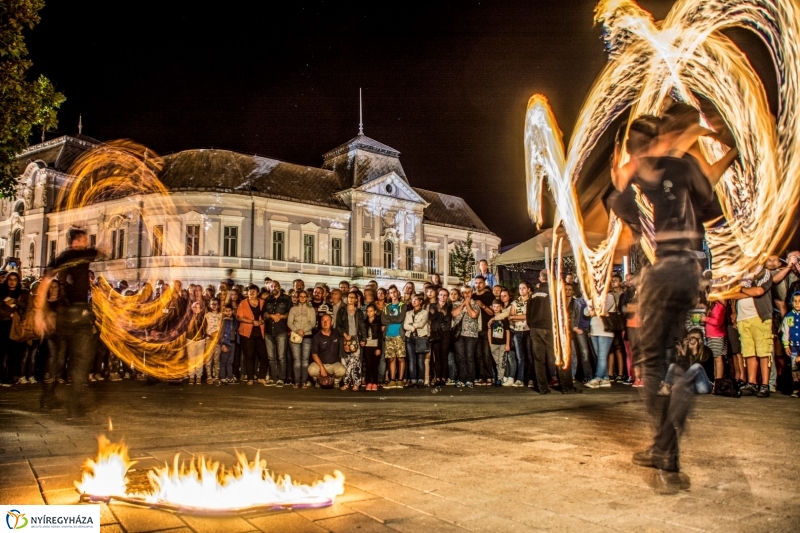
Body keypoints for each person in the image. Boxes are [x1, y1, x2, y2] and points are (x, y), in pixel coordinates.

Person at [608, 110, 724, 491]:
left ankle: (666, 450)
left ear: (631, 149)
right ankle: (676, 404)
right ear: (658, 139)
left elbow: (623, 217)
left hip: (662, 272)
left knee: (650, 364)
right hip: (691, 271)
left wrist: (627, 176)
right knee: (669, 357)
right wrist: (731, 154)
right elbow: (710, 206)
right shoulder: (685, 164)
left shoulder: (633, 180)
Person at [37, 227, 100, 416]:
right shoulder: (78, 254)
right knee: (79, 359)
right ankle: (71, 404)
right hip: (76, 313)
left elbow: (47, 278)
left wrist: (41, 311)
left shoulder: (65, 256)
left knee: (62, 358)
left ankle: (52, 399)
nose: (87, 242)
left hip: (67, 314)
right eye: (84, 239)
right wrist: (40, 311)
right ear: (77, 240)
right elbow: (47, 279)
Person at [527, 270, 578, 394]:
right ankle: (567, 386)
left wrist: (532, 325)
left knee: (539, 359)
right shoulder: (553, 293)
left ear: (540, 278)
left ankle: (542, 388)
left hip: (535, 329)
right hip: (550, 328)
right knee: (559, 356)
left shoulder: (533, 295)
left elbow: (528, 313)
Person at [728, 265, 774, 397]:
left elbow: (759, 291)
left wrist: (741, 288)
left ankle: (765, 385)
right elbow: (732, 294)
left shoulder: (764, 272)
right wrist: (746, 291)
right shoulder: (740, 273)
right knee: (748, 352)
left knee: (763, 351)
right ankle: (752, 383)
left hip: (760, 316)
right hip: (743, 318)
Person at [659, 328, 714, 396]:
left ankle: (674, 387)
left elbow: (697, 369)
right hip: (692, 386)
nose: (693, 341)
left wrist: (695, 352)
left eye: (696, 338)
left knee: (697, 366)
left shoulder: (707, 352)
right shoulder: (688, 351)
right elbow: (686, 371)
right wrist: (682, 354)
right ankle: (666, 387)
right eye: (690, 339)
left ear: (701, 340)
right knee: (673, 365)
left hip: (704, 386)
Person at [1, 271, 29, 385]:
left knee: (14, 352)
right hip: (3, 324)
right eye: (10, 279)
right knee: (2, 352)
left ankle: (10, 376)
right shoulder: (1, 292)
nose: (12, 282)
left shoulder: (22, 293)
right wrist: (8, 314)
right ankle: (2, 376)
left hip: (16, 325)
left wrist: (16, 302)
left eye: (15, 279)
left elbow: (27, 307)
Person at [237, 284, 268, 385]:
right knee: (249, 356)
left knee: (264, 356)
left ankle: (261, 377)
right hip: (247, 334)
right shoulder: (243, 303)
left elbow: (266, 315)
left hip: (260, 333)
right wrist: (251, 321)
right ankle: (250, 378)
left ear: (257, 292)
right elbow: (239, 317)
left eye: (254, 291)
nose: (252, 292)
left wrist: (263, 321)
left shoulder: (263, 302)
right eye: (250, 291)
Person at [451, 285, 480, 387]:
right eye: (464, 292)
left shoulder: (475, 304)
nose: (467, 294)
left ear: (472, 293)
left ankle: (470, 379)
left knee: (469, 357)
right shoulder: (456, 304)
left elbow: (473, 315)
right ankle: (461, 378)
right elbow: (454, 314)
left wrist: (468, 305)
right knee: (460, 357)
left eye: (469, 292)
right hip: (458, 335)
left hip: (471, 334)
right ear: (462, 294)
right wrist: (463, 304)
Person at [263, 280, 291, 386]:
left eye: (275, 286)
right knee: (271, 357)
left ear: (279, 287)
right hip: (269, 330)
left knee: (281, 357)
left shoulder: (286, 298)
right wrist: (270, 316)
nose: (273, 288)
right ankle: (273, 377)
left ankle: (281, 378)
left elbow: (290, 312)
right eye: (271, 286)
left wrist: (281, 317)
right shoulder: (268, 299)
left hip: (281, 330)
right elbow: (264, 313)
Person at [337, 292, 366, 391]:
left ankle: (356, 383)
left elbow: (362, 326)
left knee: (356, 362)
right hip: (345, 338)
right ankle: (346, 382)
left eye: (353, 297)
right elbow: (338, 325)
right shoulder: (342, 310)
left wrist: (363, 339)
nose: (351, 299)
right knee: (345, 361)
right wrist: (345, 334)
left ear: (356, 300)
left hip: (355, 338)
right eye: (349, 297)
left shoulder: (359, 312)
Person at [288, 289, 316, 388]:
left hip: (307, 336)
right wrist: (297, 330)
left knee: (305, 360)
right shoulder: (293, 309)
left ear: (307, 298)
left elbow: (313, 323)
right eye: (301, 296)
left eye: (305, 296)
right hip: (295, 336)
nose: (303, 298)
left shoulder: (311, 309)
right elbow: (289, 323)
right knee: (297, 360)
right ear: (298, 297)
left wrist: (303, 331)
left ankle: (303, 381)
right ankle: (296, 381)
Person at [308, 314, 346, 385]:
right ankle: (318, 381)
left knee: (342, 371)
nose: (325, 322)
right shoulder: (316, 337)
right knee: (311, 370)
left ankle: (335, 382)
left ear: (332, 323)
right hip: (321, 364)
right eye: (323, 321)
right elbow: (314, 354)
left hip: (334, 364)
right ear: (320, 323)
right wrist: (322, 368)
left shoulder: (337, 333)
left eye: (327, 320)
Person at [382, 285, 407, 388]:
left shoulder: (403, 305)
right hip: (389, 335)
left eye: (395, 292)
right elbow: (383, 320)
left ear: (398, 293)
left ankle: (400, 380)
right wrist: (393, 319)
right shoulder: (386, 307)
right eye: (391, 292)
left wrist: (389, 319)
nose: (393, 294)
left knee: (401, 358)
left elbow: (400, 318)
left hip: (399, 335)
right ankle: (392, 380)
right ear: (389, 294)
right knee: (391, 358)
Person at [472, 275, 496, 385]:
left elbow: (492, 313)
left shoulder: (489, 296)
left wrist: (483, 306)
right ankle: (481, 376)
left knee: (487, 354)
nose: (478, 285)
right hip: (475, 329)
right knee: (478, 355)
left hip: (487, 329)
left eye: (480, 283)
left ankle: (489, 376)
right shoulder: (472, 296)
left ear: (484, 284)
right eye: (476, 283)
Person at [403, 293, 431, 387]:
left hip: (421, 337)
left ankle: (421, 379)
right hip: (410, 337)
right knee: (411, 360)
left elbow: (422, 324)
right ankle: (413, 379)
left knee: (420, 360)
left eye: (416, 300)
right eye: (413, 300)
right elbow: (405, 325)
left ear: (420, 302)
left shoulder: (425, 312)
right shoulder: (408, 313)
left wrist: (412, 325)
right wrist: (412, 328)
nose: (414, 301)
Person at [509, 282, 533, 387]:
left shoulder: (531, 302)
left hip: (528, 330)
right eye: (520, 288)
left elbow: (528, 316)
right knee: (520, 356)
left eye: (523, 288)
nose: (521, 290)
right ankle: (520, 378)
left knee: (529, 355)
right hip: (517, 331)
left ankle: (531, 378)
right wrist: (519, 317)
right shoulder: (515, 302)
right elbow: (510, 316)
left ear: (528, 289)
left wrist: (516, 317)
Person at [428, 288, 452, 386]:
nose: (442, 297)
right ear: (438, 296)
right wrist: (441, 312)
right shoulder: (432, 305)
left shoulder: (449, 306)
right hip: (435, 332)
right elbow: (431, 317)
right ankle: (437, 378)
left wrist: (438, 312)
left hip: (445, 332)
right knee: (437, 357)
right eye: (441, 294)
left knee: (444, 356)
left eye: (445, 295)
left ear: (447, 297)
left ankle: (443, 378)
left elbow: (447, 318)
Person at [780, 292, 800, 397]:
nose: (797, 304)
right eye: (795, 301)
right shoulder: (789, 316)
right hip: (794, 346)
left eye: (799, 301)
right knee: (794, 366)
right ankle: (796, 387)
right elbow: (786, 331)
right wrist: (786, 345)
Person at [489, 299, 510, 385]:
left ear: (501, 307)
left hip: (502, 343)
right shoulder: (491, 318)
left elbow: (507, 331)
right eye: (494, 306)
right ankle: (497, 376)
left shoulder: (504, 318)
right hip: (494, 343)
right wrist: (490, 343)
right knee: (496, 361)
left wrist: (507, 343)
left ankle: (499, 378)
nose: (496, 308)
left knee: (501, 361)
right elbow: (489, 331)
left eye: (498, 306)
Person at [186, 300, 207, 385]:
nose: (196, 309)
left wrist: (203, 337)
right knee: (191, 359)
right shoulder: (188, 317)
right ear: (192, 308)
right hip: (190, 339)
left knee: (199, 359)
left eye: (198, 307)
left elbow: (205, 328)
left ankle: (198, 376)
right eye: (194, 307)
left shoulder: (203, 317)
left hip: (200, 340)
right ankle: (191, 376)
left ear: (201, 309)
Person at [362, 304, 383, 391]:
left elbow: (380, 336)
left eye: (371, 311)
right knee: (368, 364)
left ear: (375, 312)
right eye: (367, 311)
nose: (369, 313)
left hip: (375, 345)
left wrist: (379, 348)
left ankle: (374, 382)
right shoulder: (364, 322)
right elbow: (362, 333)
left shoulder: (378, 322)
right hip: (367, 345)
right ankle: (368, 382)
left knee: (375, 365)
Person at [203, 298, 222, 384]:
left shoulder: (221, 315)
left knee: (216, 359)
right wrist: (209, 335)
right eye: (212, 304)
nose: (214, 306)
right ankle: (209, 376)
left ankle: (216, 376)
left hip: (217, 339)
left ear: (219, 305)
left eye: (216, 304)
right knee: (208, 359)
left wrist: (218, 336)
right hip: (209, 339)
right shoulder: (207, 315)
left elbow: (222, 327)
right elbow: (204, 327)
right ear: (210, 305)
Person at [218, 304, 238, 384]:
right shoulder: (223, 321)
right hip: (226, 342)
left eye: (230, 310)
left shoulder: (234, 320)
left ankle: (229, 376)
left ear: (232, 311)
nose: (228, 312)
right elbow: (221, 333)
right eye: (226, 311)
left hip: (233, 342)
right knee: (223, 361)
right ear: (224, 311)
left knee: (230, 361)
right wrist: (222, 343)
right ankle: (222, 377)